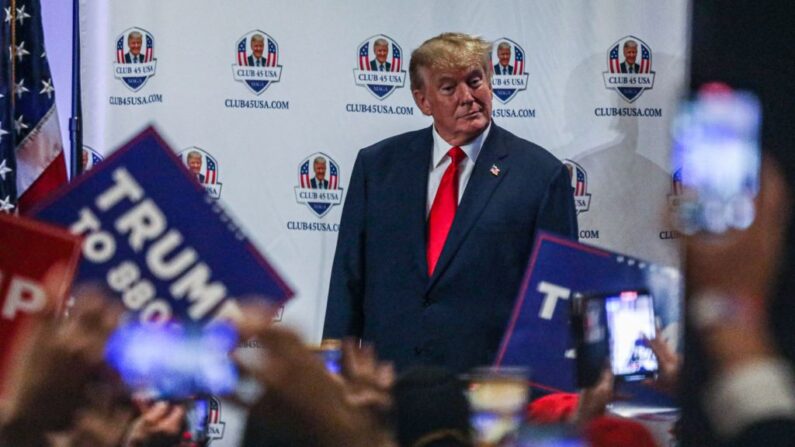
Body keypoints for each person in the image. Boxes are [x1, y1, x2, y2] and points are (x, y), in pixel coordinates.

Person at [324, 32, 578, 374]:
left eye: (475, 81)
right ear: (423, 101)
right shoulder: (377, 167)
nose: (468, 97)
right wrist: (333, 373)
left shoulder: (540, 175)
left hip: (486, 388)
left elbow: (556, 300)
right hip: (388, 385)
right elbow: (347, 279)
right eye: (449, 88)